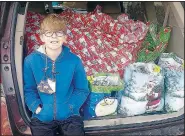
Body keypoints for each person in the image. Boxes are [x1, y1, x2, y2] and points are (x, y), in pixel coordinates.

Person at [23, 14, 89, 136]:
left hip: (69, 116)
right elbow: (29, 89)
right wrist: (36, 107)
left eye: (59, 33)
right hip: (42, 117)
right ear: (42, 37)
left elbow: (82, 89)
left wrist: (71, 107)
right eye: (49, 33)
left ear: (65, 37)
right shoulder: (30, 61)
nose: (54, 37)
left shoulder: (74, 61)